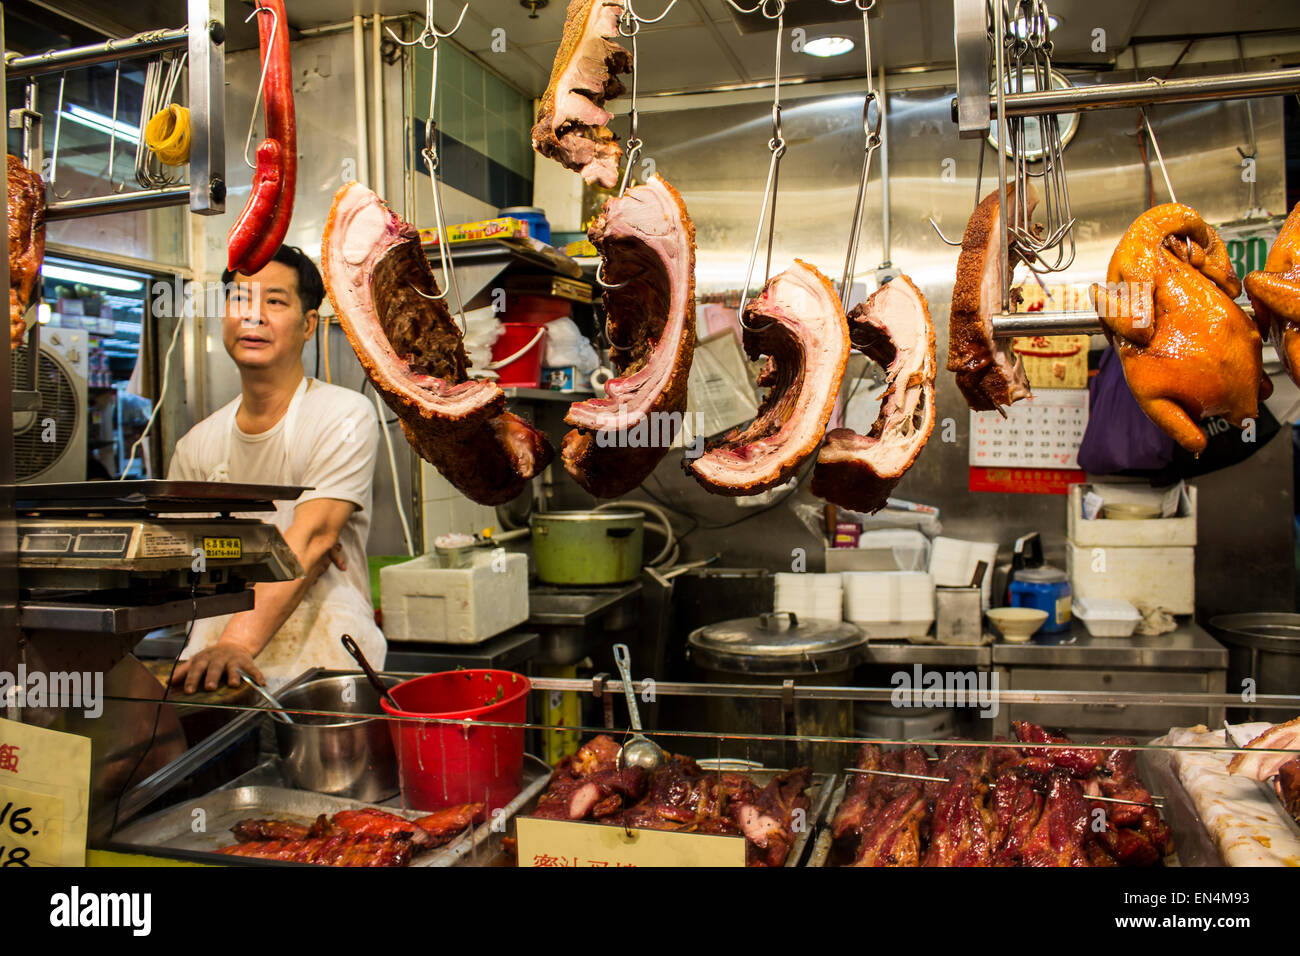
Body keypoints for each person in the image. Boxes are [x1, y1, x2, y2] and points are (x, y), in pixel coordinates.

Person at [167, 245, 385, 692]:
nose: (253, 316)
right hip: (214, 676)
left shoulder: (343, 415)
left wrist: (238, 642)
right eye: (240, 299)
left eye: (275, 301)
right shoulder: (197, 445)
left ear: (308, 325)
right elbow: (178, 562)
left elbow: (311, 537)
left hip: (324, 677)